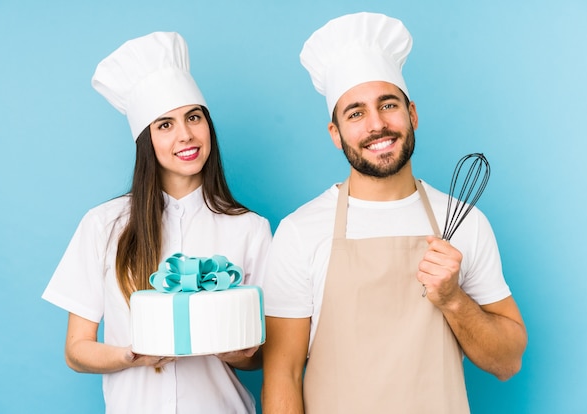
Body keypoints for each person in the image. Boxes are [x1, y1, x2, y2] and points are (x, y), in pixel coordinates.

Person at [261, 12, 527, 413]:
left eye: (388, 105)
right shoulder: (301, 231)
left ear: (412, 114)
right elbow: (284, 372)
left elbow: (507, 362)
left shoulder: (465, 221)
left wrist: (454, 299)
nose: (377, 125)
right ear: (335, 134)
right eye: (355, 113)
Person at [42, 32, 271, 414]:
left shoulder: (250, 228)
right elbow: (76, 350)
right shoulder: (104, 225)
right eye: (165, 125)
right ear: (145, 139)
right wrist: (133, 356)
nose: (185, 135)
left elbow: (262, 355)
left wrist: (238, 351)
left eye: (194, 117)